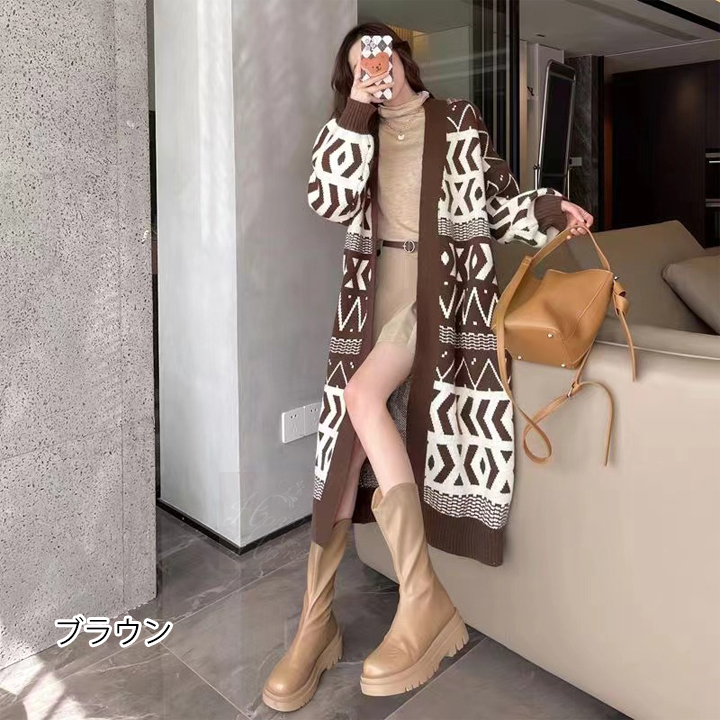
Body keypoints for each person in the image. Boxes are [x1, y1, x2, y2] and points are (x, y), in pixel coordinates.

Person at [262, 22, 593, 713]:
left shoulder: (457, 120)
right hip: (369, 301)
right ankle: (316, 624)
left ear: (402, 59)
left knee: (359, 399)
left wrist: (548, 207)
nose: (373, 69)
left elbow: (496, 205)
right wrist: (358, 110)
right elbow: (328, 200)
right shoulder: (352, 130)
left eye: (379, 55)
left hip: (435, 297)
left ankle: (420, 596)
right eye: (359, 65)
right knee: (343, 458)